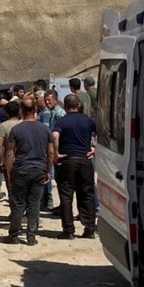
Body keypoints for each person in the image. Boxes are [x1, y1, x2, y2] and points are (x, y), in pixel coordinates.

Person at [5, 98, 54, 246]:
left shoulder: (16, 130)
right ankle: (31, 236)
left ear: (21, 111)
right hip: (38, 169)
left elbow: (9, 153)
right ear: (35, 110)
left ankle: (14, 235)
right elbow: (51, 152)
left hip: (21, 169)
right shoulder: (45, 129)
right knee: (34, 203)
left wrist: (8, 172)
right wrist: (48, 170)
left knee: (18, 203)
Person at [53, 94, 97, 240]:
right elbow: (104, 132)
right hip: (85, 160)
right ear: (78, 105)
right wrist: (95, 148)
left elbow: (54, 136)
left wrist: (56, 153)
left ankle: (69, 230)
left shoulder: (62, 121)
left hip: (67, 160)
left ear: (65, 106)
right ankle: (90, 228)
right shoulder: (88, 120)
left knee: (66, 196)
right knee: (87, 194)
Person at [0, 100, 21, 200]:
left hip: (9, 159)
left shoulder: (3, 126)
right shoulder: (23, 123)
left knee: (10, 185)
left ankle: (14, 209)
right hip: (23, 158)